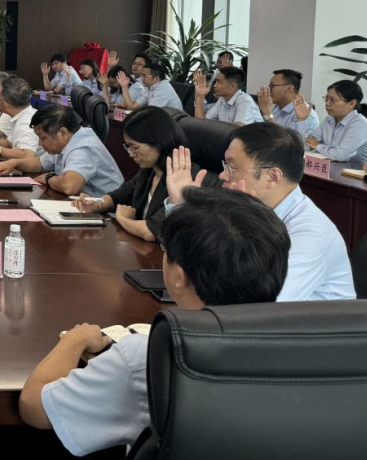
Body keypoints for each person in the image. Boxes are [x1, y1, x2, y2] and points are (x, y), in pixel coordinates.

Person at [19, 187, 290, 457]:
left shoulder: (146, 356)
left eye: (165, 249)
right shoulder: (298, 348)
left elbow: (35, 409)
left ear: (180, 276)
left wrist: (74, 340)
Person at [166, 123, 355, 301]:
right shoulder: (252, 211)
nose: (223, 175)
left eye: (231, 167)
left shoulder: (309, 235)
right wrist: (181, 208)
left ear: (272, 176)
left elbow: (262, 304)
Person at [72, 107, 217, 241]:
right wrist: (97, 204)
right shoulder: (150, 169)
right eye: (128, 147)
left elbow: (152, 231)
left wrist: (123, 219)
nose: (131, 154)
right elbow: (121, 195)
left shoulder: (183, 178)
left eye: (135, 147)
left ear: (159, 141)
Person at [0, 103, 124, 197]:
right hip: (85, 205)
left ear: (63, 133)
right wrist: (15, 163)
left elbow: (69, 186)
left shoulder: (83, 148)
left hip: (109, 216)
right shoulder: (66, 142)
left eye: (43, 137)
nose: (40, 143)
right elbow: (39, 164)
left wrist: (49, 178)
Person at [0, 73, 43, 161]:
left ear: (5, 103)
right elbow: (9, 143)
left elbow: (27, 155)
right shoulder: (20, 115)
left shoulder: (26, 122)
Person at [306, 80, 367, 164]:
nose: (327, 103)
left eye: (333, 100)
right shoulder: (328, 120)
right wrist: (302, 119)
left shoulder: (360, 123)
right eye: (326, 99)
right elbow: (310, 143)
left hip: (354, 171)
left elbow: (340, 155)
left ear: (352, 103)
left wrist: (318, 146)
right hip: (329, 169)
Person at [257, 69, 320, 139]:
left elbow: (287, 142)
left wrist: (266, 111)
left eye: (272, 85)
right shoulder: (278, 107)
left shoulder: (306, 115)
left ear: (289, 88)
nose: (269, 89)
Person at [194, 66, 262, 125]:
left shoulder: (244, 100)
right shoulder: (222, 99)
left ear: (232, 86)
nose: (214, 85)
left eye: (219, 82)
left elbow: (237, 130)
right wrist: (200, 96)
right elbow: (202, 122)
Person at [116, 62, 183, 112]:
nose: (141, 78)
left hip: (175, 124)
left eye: (144, 76)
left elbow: (150, 113)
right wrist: (124, 87)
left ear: (156, 79)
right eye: (141, 75)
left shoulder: (163, 89)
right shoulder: (151, 88)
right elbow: (132, 107)